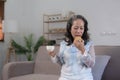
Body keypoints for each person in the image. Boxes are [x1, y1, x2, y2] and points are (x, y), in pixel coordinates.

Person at [48, 14, 95, 80]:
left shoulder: (89, 43)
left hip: (84, 77)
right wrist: (53, 55)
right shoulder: (64, 44)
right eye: (76, 28)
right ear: (70, 29)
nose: (78, 31)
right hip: (65, 77)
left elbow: (91, 64)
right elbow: (61, 63)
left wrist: (82, 50)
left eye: (81, 28)